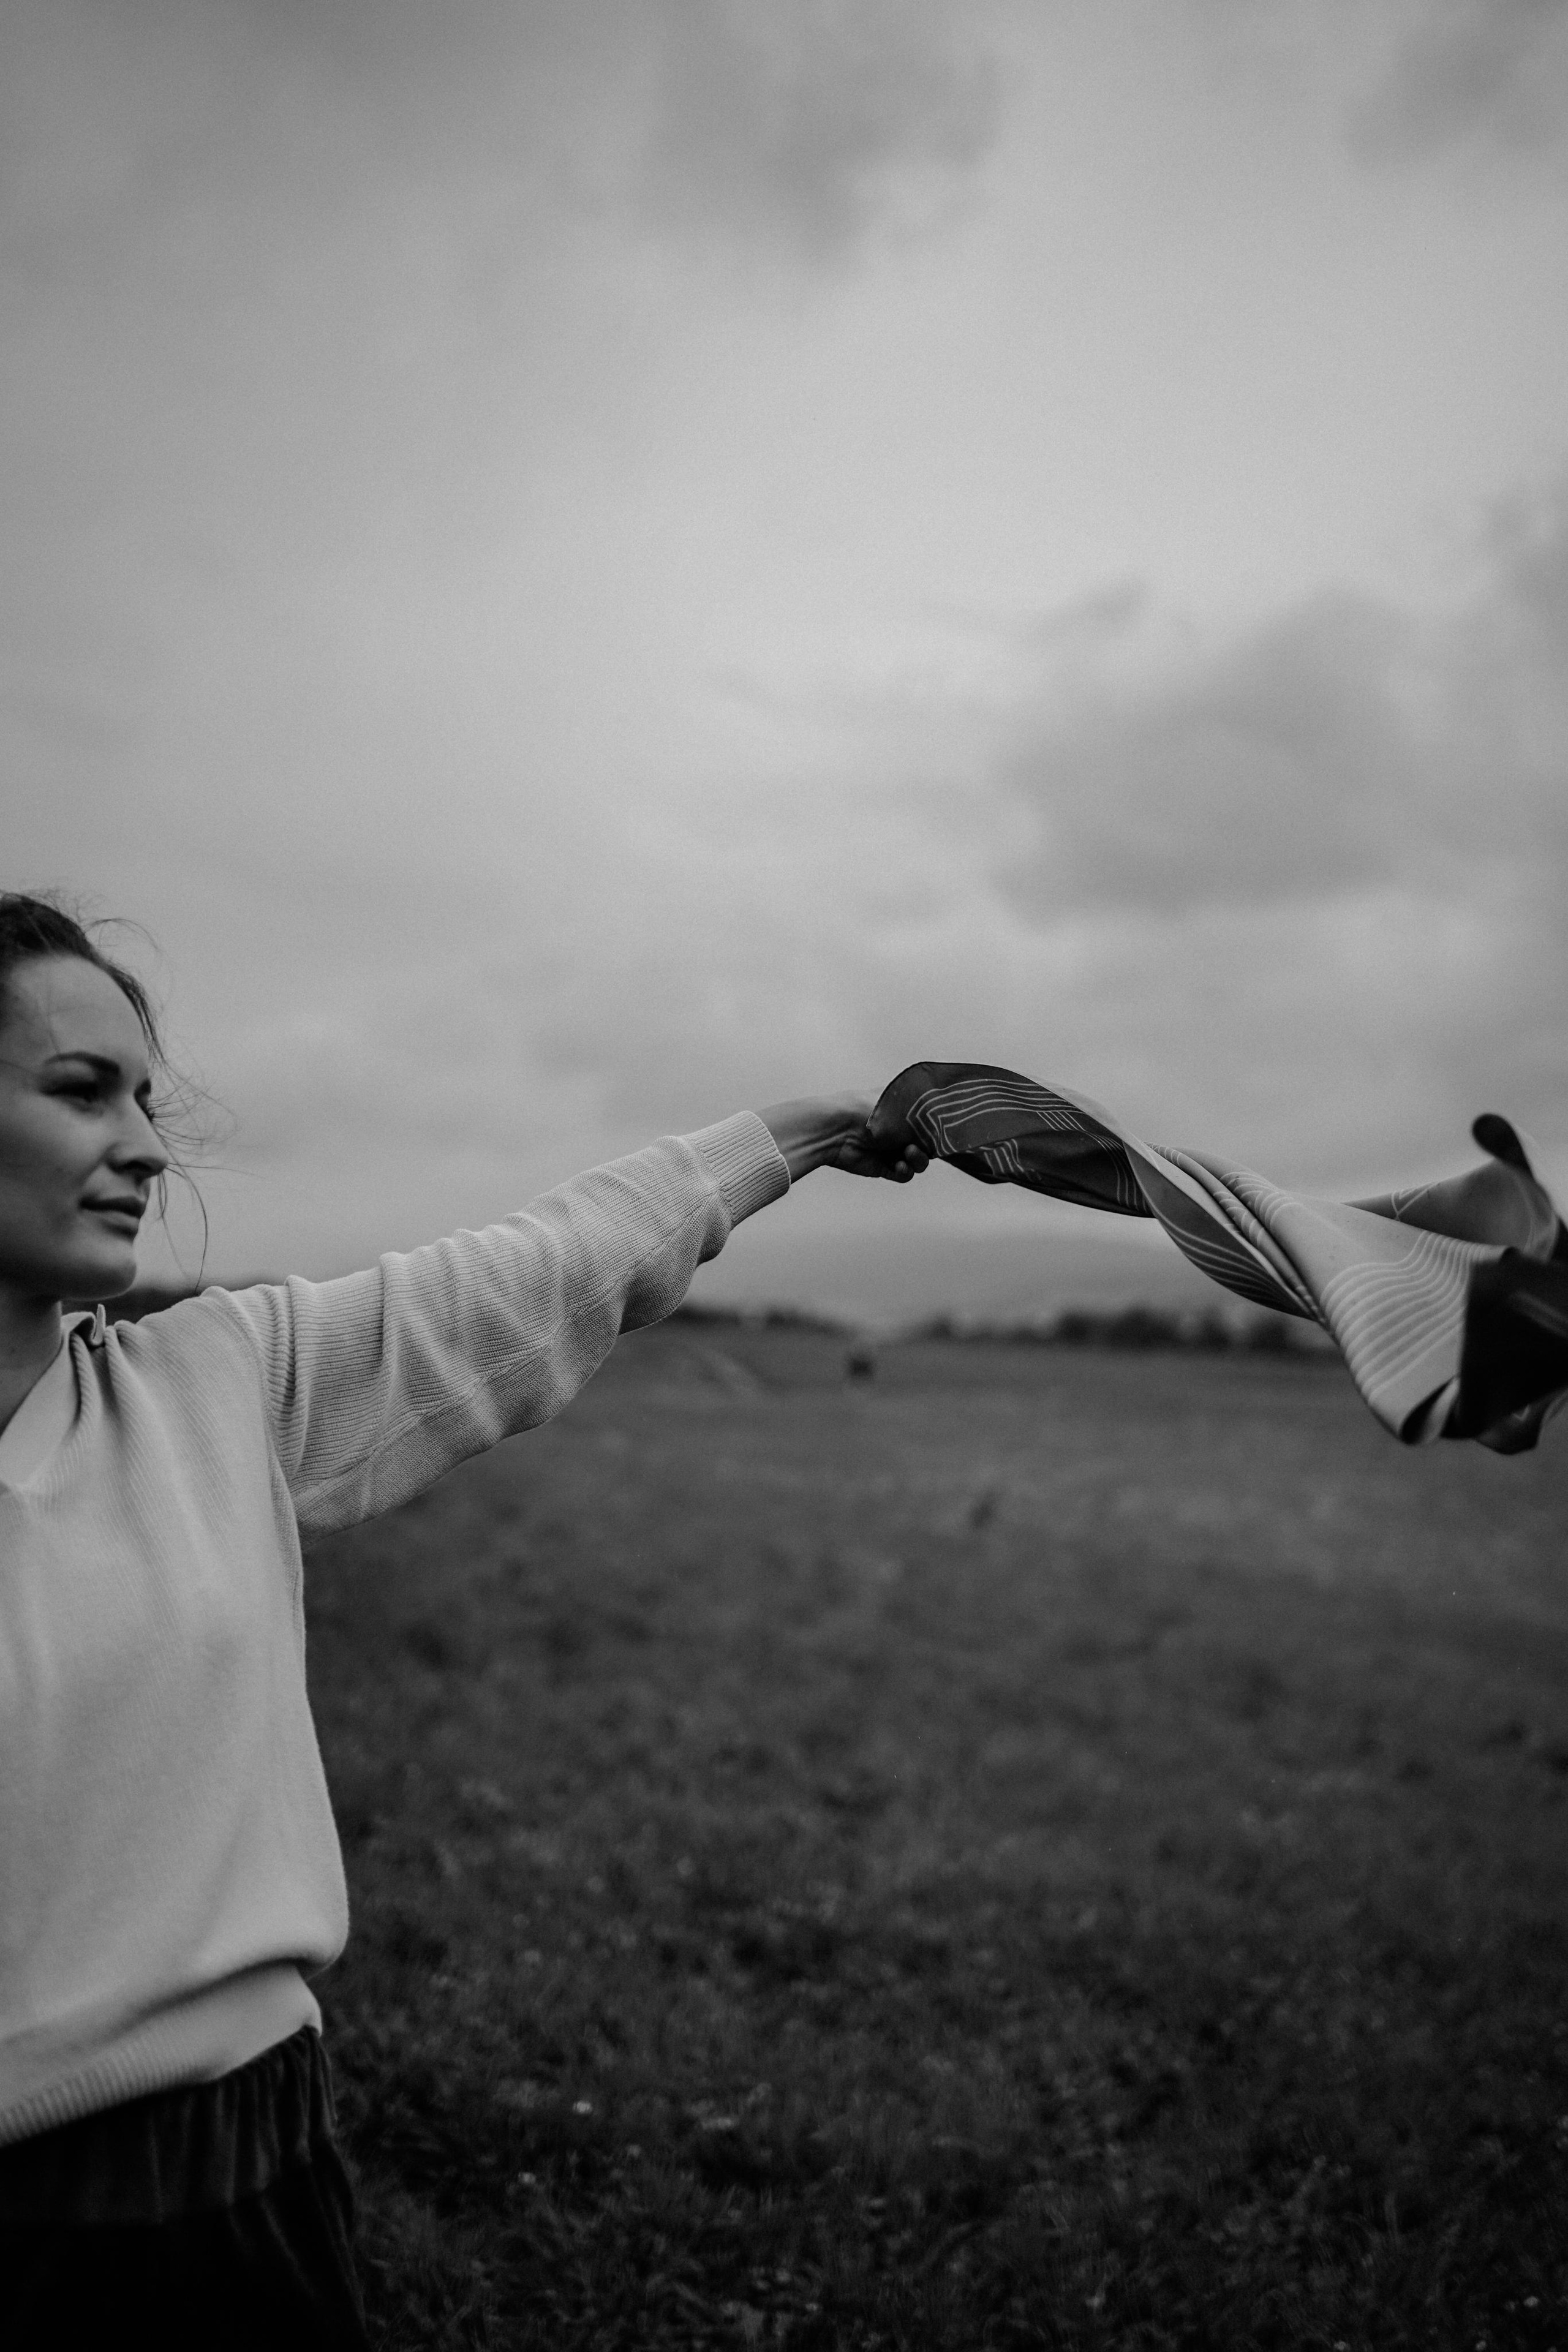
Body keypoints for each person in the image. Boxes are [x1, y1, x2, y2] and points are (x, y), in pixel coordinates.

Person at [0, 892, 929, 2346]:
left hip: (250, 2185)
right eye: (78, 1091)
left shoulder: (216, 1380)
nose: (142, 1145)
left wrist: (794, 1135)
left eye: (144, 1096)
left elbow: (533, 1276)